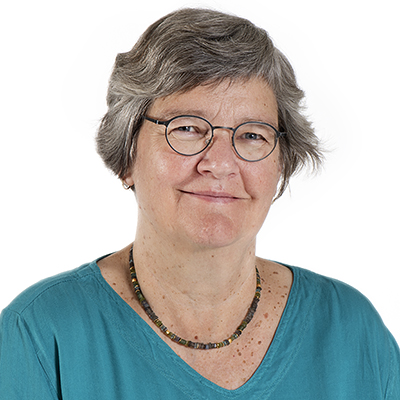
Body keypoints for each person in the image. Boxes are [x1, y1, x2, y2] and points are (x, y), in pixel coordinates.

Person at [0, 7, 399, 399]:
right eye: (188, 128)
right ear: (127, 156)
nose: (220, 164)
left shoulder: (354, 334)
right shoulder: (40, 336)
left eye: (252, 135)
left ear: (281, 164)